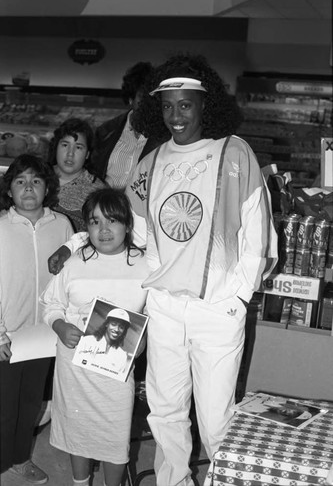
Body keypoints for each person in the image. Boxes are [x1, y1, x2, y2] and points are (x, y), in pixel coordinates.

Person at [48, 53, 278, 486]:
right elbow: (121, 227)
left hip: (217, 309)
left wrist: (238, 297)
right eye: (167, 105)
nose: (176, 115)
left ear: (205, 105)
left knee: (214, 419)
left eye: (185, 104)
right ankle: (175, 481)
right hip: (165, 307)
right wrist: (73, 243)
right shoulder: (149, 164)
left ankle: (221, 479)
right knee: (165, 410)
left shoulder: (234, 152)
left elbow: (258, 231)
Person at [40, 187, 149, 486]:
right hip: (73, 364)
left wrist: (144, 340)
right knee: (78, 430)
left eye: (112, 221)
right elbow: (51, 304)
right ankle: (80, 482)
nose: (103, 230)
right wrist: (60, 326)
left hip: (116, 370)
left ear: (127, 224)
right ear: (86, 226)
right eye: (95, 221)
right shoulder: (73, 263)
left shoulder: (145, 266)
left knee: (115, 433)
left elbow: (155, 314)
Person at [0, 154, 74, 484]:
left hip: (44, 334)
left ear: (47, 188)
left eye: (36, 181)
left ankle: (18, 460)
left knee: (30, 404)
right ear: (9, 191)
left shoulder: (62, 225)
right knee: (3, 407)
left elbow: (71, 275)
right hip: (7, 334)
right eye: (20, 181)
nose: (28, 188)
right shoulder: (0, 227)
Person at [92, 61, 160, 188]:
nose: (147, 104)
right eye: (141, 97)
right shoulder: (106, 131)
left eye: (152, 97)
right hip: (102, 204)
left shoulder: (164, 137)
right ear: (131, 98)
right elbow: (92, 173)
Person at [48, 117, 105, 231]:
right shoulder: (37, 177)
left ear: (87, 154)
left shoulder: (97, 191)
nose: (70, 153)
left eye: (78, 147)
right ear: (56, 147)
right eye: (65, 145)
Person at [77, 308, 131, 374]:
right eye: (113, 324)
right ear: (107, 324)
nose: (117, 329)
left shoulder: (122, 356)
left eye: (121, 327)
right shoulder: (87, 341)